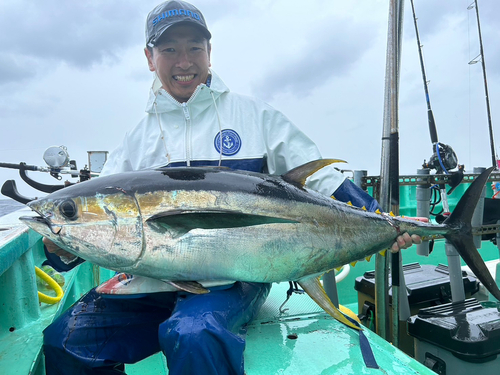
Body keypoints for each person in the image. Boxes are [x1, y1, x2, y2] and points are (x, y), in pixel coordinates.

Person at [42, 1, 421, 374]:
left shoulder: (254, 116)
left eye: (194, 47)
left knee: (194, 333)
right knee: (67, 342)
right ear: (149, 57)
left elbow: (322, 181)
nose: (184, 61)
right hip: (152, 279)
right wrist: (61, 247)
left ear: (210, 51)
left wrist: (380, 221)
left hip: (237, 277)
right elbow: (99, 222)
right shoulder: (136, 140)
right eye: (169, 49)